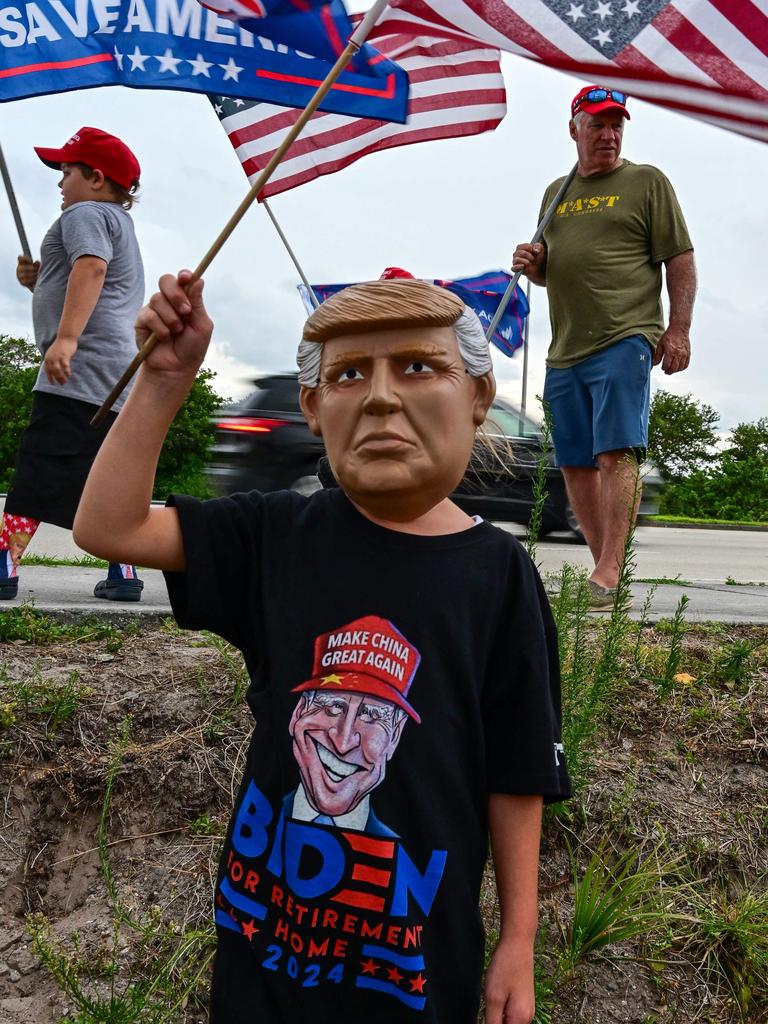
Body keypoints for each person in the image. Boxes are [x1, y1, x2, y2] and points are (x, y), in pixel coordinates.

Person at [73, 273, 571, 1024]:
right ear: (312, 409)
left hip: (413, 977)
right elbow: (107, 528)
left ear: (477, 394)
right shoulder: (279, 534)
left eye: (417, 365)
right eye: (346, 373)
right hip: (258, 956)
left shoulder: (500, 578)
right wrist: (163, 381)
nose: (378, 396)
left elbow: (518, 771)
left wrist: (519, 940)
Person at [512, 86, 696, 609]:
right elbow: (555, 271)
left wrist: (677, 329)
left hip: (626, 335)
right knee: (573, 461)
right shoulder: (557, 192)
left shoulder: (646, 182)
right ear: (574, 129)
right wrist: (535, 264)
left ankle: (612, 568)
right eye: (597, 124)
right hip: (566, 347)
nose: (608, 134)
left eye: (617, 124)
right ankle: (602, 570)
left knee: (615, 451)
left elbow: (679, 257)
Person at [0, 127, 145, 602]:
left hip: (78, 368)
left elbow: (91, 269)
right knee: (103, 470)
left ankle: (5, 561)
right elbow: (85, 277)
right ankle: (123, 570)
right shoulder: (117, 221)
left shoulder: (84, 212)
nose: (60, 182)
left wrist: (65, 339)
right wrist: (39, 281)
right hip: (115, 373)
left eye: (67, 170)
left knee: (43, 460)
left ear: (96, 178)